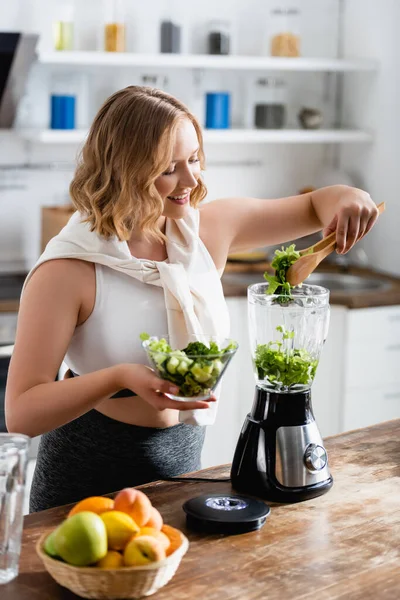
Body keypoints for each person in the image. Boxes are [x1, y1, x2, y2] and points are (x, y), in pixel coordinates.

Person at [5, 86, 379, 512]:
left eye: (195, 159)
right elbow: (22, 411)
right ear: (125, 170)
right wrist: (121, 377)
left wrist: (349, 197)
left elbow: (316, 206)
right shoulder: (68, 269)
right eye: (169, 168)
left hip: (182, 465)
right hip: (87, 477)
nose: (192, 180)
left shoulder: (205, 233)